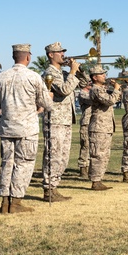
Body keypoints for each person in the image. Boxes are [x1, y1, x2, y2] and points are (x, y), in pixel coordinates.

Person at [0, 44, 53, 213]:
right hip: (26, 129)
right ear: (28, 57)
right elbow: (47, 104)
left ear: (14, 57)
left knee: (7, 164)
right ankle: (16, 202)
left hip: (6, 127)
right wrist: (47, 100)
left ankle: (5, 201)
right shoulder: (33, 77)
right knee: (24, 164)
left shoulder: (1, 78)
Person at [40, 42, 83, 201]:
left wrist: (78, 71)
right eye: (59, 52)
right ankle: (49, 188)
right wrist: (72, 72)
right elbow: (65, 90)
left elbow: (83, 84)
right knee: (53, 155)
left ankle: (55, 186)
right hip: (55, 119)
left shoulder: (64, 73)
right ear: (51, 55)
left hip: (65, 119)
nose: (63, 54)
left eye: (63, 51)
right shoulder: (49, 73)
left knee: (63, 157)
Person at [87, 65, 123, 190]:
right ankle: (95, 181)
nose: (105, 76)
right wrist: (116, 89)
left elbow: (115, 98)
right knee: (98, 154)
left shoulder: (102, 89)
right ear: (95, 77)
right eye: (102, 74)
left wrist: (116, 89)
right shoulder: (96, 90)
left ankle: (99, 179)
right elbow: (110, 101)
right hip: (98, 126)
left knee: (104, 154)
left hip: (105, 127)